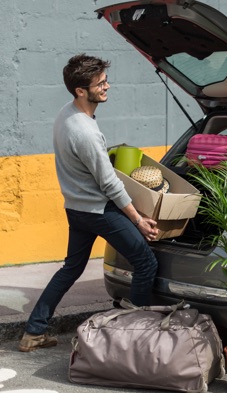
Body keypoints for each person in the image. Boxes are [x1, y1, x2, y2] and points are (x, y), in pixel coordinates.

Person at [19, 54, 159, 352]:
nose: (107, 86)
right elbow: (109, 183)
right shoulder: (85, 131)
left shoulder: (65, 114)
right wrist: (138, 218)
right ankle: (135, 339)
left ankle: (34, 332)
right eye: (100, 83)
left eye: (105, 80)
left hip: (76, 208)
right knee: (145, 263)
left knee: (71, 268)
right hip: (99, 211)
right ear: (81, 90)